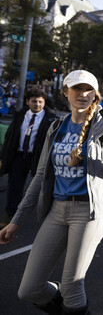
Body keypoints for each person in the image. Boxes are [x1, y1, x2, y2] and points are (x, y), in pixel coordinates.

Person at [0, 70, 103, 314]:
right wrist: (16, 220)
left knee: (73, 288)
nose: (83, 94)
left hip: (90, 212)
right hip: (57, 211)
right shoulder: (56, 127)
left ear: (95, 94)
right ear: (66, 92)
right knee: (29, 290)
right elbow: (41, 176)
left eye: (88, 89)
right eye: (77, 89)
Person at [0, 89, 57, 228]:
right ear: (27, 102)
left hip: (38, 157)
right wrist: (3, 157)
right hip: (19, 155)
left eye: (40, 102)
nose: (37, 104)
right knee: (15, 186)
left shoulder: (50, 119)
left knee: (44, 185)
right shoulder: (20, 115)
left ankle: (49, 215)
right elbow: (9, 137)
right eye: (34, 101)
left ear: (44, 103)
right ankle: (11, 215)